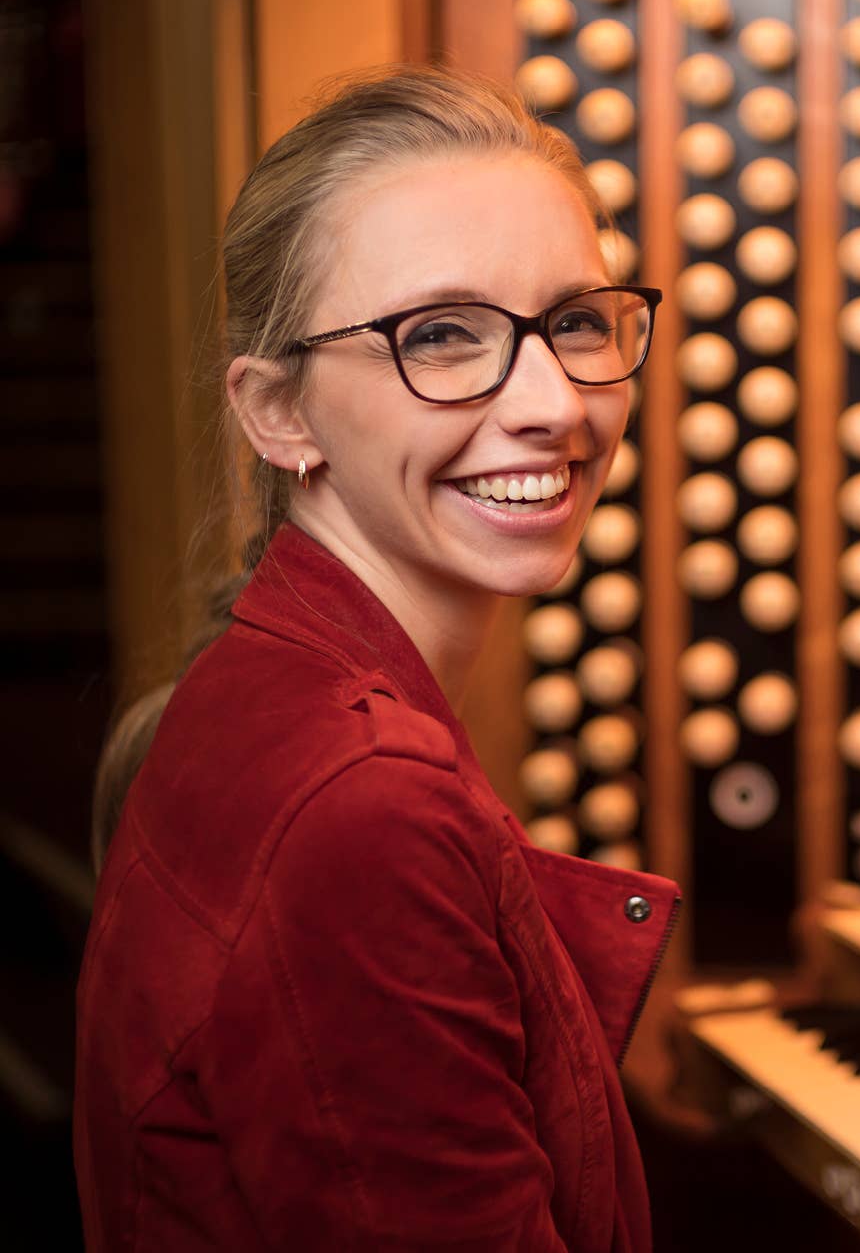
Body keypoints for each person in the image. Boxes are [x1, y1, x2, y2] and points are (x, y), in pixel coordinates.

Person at [73, 66, 680, 1252]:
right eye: (440, 336)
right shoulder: (360, 811)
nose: (553, 401)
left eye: (574, 320)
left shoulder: (261, 689)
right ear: (278, 413)